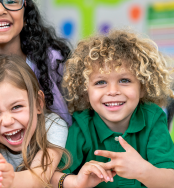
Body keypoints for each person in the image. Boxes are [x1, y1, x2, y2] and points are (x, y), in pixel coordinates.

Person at [52, 29, 174, 188]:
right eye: (100, 82)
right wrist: (75, 182)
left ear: (142, 87)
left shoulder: (152, 118)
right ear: (85, 90)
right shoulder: (83, 125)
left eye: (124, 80)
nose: (112, 91)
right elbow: (51, 177)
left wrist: (142, 171)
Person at [0, 55, 70, 187]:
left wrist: (8, 180)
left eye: (16, 107)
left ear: (38, 103)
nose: (7, 121)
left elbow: (39, 177)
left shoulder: (52, 126)